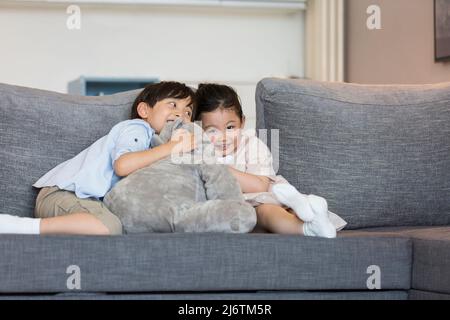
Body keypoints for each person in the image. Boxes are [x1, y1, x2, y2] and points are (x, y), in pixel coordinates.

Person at [0, 81, 196, 235]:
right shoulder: (137, 128)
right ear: (144, 111)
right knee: (109, 226)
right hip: (63, 195)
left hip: (81, 202)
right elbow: (123, 165)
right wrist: (173, 147)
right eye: (173, 104)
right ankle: (20, 228)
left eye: (188, 112)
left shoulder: (156, 144)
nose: (181, 114)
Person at [194, 83, 337, 238]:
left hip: (261, 201)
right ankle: (311, 224)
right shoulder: (198, 152)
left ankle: (310, 221)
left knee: (268, 211)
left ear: (242, 122)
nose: (223, 137)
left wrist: (219, 168)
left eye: (230, 127)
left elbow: (259, 185)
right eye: (212, 130)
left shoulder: (252, 145)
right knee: (261, 215)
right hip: (236, 212)